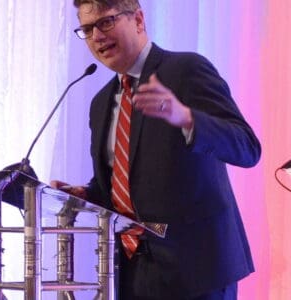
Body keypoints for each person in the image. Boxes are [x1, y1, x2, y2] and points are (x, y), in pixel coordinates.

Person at [51, 1, 262, 299]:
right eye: (87, 28)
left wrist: (187, 118)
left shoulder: (186, 70)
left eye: (105, 22)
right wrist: (86, 193)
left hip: (197, 271)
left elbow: (247, 147)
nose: (96, 36)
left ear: (138, 19)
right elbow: (120, 184)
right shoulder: (100, 103)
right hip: (131, 272)